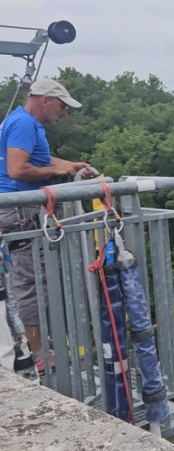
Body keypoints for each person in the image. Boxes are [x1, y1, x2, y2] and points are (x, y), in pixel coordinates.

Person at [0, 77, 89, 371]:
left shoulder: (24, 124)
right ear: (45, 100)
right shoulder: (24, 124)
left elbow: (34, 158)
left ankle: (35, 348)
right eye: (62, 107)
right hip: (18, 211)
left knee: (34, 278)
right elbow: (17, 169)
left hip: (20, 209)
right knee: (31, 281)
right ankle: (36, 356)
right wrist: (56, 169)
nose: (64, 114)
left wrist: (66, 164)